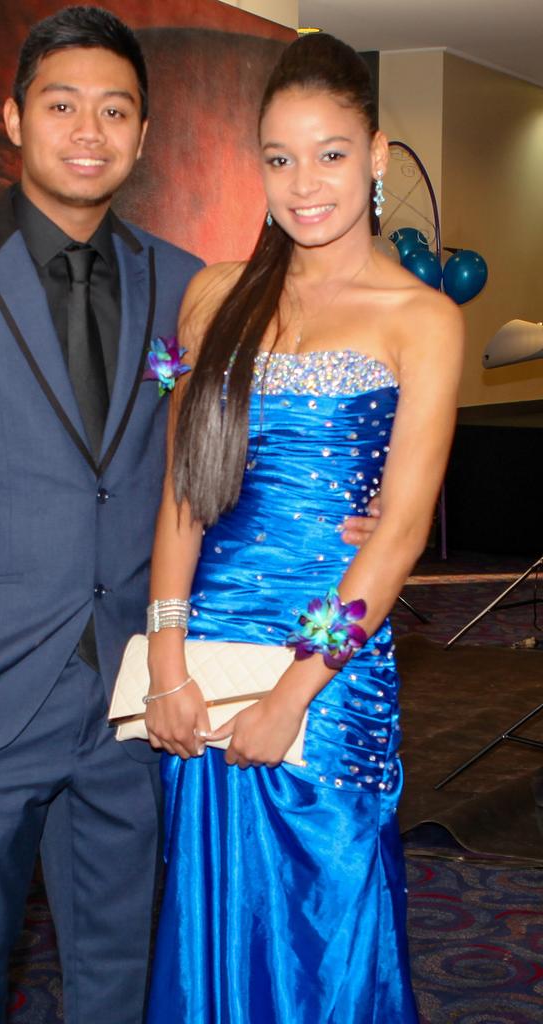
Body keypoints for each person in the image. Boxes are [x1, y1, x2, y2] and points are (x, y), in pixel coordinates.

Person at [0, 8, 379, 1022]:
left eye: (115, 109)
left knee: (118, 976)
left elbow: (229, 457)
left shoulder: (188, 284)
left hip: (134, 703)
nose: (89, 128)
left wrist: (358, 509)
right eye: (62, 104)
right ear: (14, 117)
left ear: (141, 136)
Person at [144, 32, 463, 1024]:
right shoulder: (206, 299)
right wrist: (164, 664)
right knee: (210, 923)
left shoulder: (424, 319)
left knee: (330, 917)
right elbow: (179, 492)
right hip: (203, 665)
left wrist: (294, 690)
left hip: (329, 666)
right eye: (280, 158)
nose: (304, 182)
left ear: (373, 155)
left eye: (330, 153)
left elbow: (402, 533)